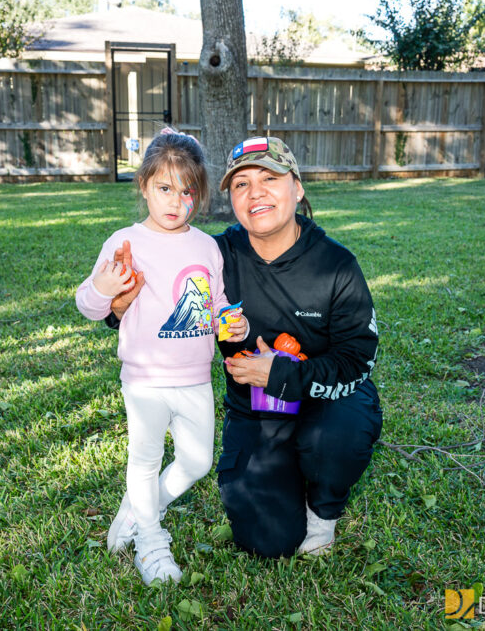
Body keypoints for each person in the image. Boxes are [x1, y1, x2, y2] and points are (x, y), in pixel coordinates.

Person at [109, 136, 382, 559]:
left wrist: (281, 374)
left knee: (336, 436)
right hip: (256, 411)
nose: (255, 192)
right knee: (266, 541)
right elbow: (159, 293)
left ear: (297, 188)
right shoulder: (215, 255)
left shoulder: (336, 265)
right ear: (231, 200)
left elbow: (358, 360)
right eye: (241, 184)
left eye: (269, 178)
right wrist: (118, 307)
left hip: (327, 404)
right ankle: (274, 478)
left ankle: (322, 510)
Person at [75, 128, 246, 585]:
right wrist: (103, 288)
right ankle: (150, 542)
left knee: (197, 462)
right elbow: (88, 305)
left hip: (195, 377)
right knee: (145, 460)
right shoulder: (124, 242)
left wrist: (233, 323)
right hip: (145, 378)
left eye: (187, 191)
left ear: (199, 195)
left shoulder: (206, 247)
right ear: (144, 185)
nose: (175, 201)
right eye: (165, 188)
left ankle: (137, 509)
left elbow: (215, 303)